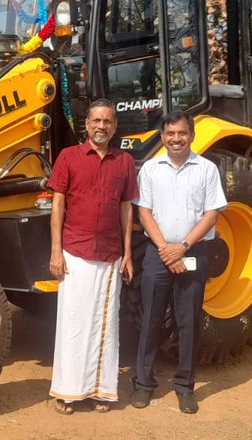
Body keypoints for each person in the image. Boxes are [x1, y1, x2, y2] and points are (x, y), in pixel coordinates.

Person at [131, 111, 226, 415]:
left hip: (194, 252)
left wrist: (183, 247)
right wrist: (165, 249)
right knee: (150, 320)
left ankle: (185, 387)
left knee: (189, 322)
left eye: (181, 133)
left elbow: (212, 213)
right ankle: (143, 384)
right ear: (162, 137)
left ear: (192, 136)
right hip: (158, 255)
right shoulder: (150, 169)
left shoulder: (207, 169)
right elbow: (144, 212)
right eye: (170, 133)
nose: (175, 139)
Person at [47, 99, 138, 415]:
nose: (101, 126)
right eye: (96, 121)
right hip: (75, 252)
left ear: (114, 127)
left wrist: (127, 254)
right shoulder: (68, 157)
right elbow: (58, 206)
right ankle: (69, 392)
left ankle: (102, 391)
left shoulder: (124, 161)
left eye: (108, 121)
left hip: (111, 255)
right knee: (73, 322)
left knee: (104, 323)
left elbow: (126, 208)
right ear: (86, 124)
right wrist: (56, 252)